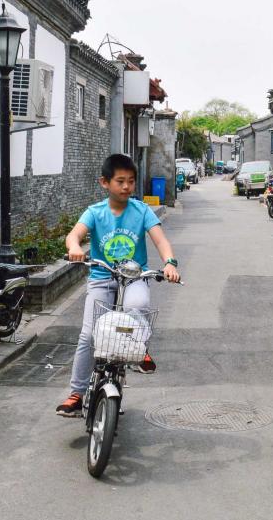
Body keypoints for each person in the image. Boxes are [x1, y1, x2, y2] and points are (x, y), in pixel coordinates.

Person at [56, 153, 180, 417]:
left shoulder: (142, 210)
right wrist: (76, 246)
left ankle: (141, 349)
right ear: (105, 182)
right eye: (120, 181)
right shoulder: (95, 212)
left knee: (138, 304)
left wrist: (170, 262)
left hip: (134, 277)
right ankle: (76, 393)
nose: (126, 187)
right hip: (102, 277)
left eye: (131, 181)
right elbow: (74, 234)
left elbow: (160, 240)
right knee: (89, 335)